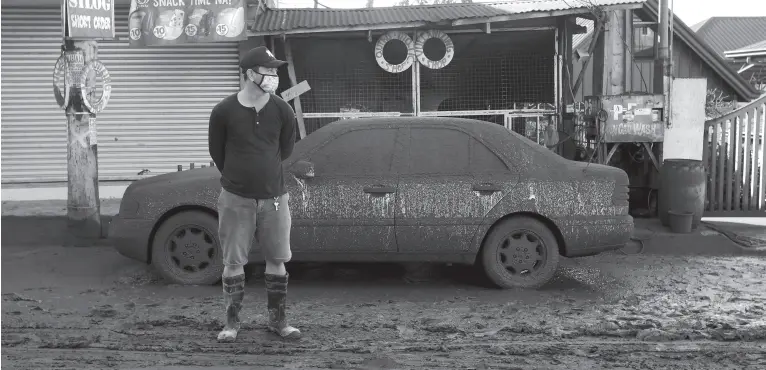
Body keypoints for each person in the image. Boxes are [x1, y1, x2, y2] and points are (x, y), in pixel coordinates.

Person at [207, 46, 298, 342]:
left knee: (277, 259)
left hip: (274, 198)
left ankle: (279, 322)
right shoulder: (223, 111)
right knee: (233, 261)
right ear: (249, 74)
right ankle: (231, 324)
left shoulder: (283, 110)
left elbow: (285, 150)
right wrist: (241, 177)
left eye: (275, 71)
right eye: (268, 70)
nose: (274, 76)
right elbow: (217, 153)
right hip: (235, 198)